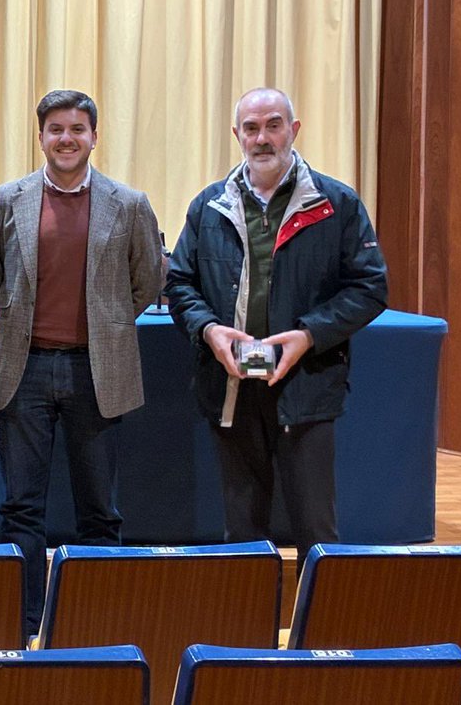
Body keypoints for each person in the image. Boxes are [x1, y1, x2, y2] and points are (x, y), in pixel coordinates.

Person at [165, 87, 388, 566]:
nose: (262, 138)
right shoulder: (208, 206)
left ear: (294, 129)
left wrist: (309, 334)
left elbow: (370, 288)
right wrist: (209, 330)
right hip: (230, 389)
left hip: (307, 387)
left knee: (316, 528)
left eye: (273, 125)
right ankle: (243, 635)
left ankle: (327, 635)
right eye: (251, 128)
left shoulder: (337, 203)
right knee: (241, 532)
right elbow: (180, 284)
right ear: (236, 135)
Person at [0, 89, 163, 634]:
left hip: (97, 372)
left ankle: (94, 620)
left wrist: (103, 324)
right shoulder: (7, 199)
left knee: (99, 510)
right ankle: (25, 621)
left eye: (77, 129)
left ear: (94, 137)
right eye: (56, 128)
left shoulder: (129, 204)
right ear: (40, 137)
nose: (66, 138)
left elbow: (147, 281)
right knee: (21, 508)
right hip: (25, 367)